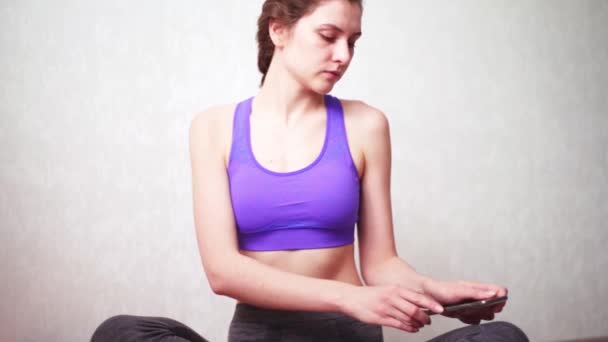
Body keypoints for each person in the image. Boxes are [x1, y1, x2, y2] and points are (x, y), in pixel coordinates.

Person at [92, 0, 529, 341]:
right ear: (278, 30)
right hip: (262, 335)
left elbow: (379, 263)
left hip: (348, 337)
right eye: (328, 35)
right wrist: (349, 299)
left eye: (352, 41)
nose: (343, 55)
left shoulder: (365, 124)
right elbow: (222, 271)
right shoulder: (214, 128)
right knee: (121, 333)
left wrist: (437, 290)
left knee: (501, 338)